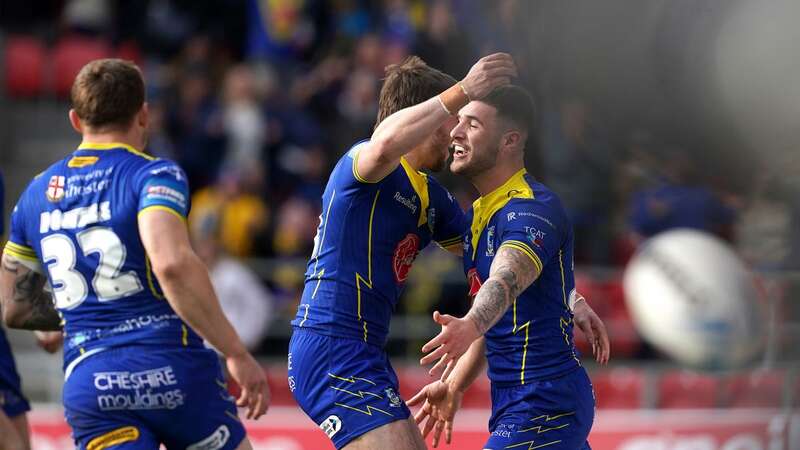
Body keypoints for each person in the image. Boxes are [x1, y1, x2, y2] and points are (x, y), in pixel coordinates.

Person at [0, 59, 269, 450]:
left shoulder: (36, 194)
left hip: (92, 381)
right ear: (143, 115)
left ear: (76, 120)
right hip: (171, 370)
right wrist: (236, 352)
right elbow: (171, 263)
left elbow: (13, 307)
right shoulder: (154, 175)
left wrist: (70, 311)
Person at [287, 53, 517, 450]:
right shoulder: (363, 163)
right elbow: (386, 141)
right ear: (427, 114)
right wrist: (463, 90)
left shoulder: (433, 199)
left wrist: (570, 295)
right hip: (329, 345)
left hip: (364, 353)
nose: (458, 131)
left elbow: (497, 259)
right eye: (455, 117)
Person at [413, 85, 609, 449]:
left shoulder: (531, 208)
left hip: (545, 404)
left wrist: (470, 323)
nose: (455, 131)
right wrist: (453, 385)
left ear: (509, 140)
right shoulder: (477, 216)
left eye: (472, 124)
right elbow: (496, 318)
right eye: (458, 121)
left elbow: (506, 279)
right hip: (521, 404)